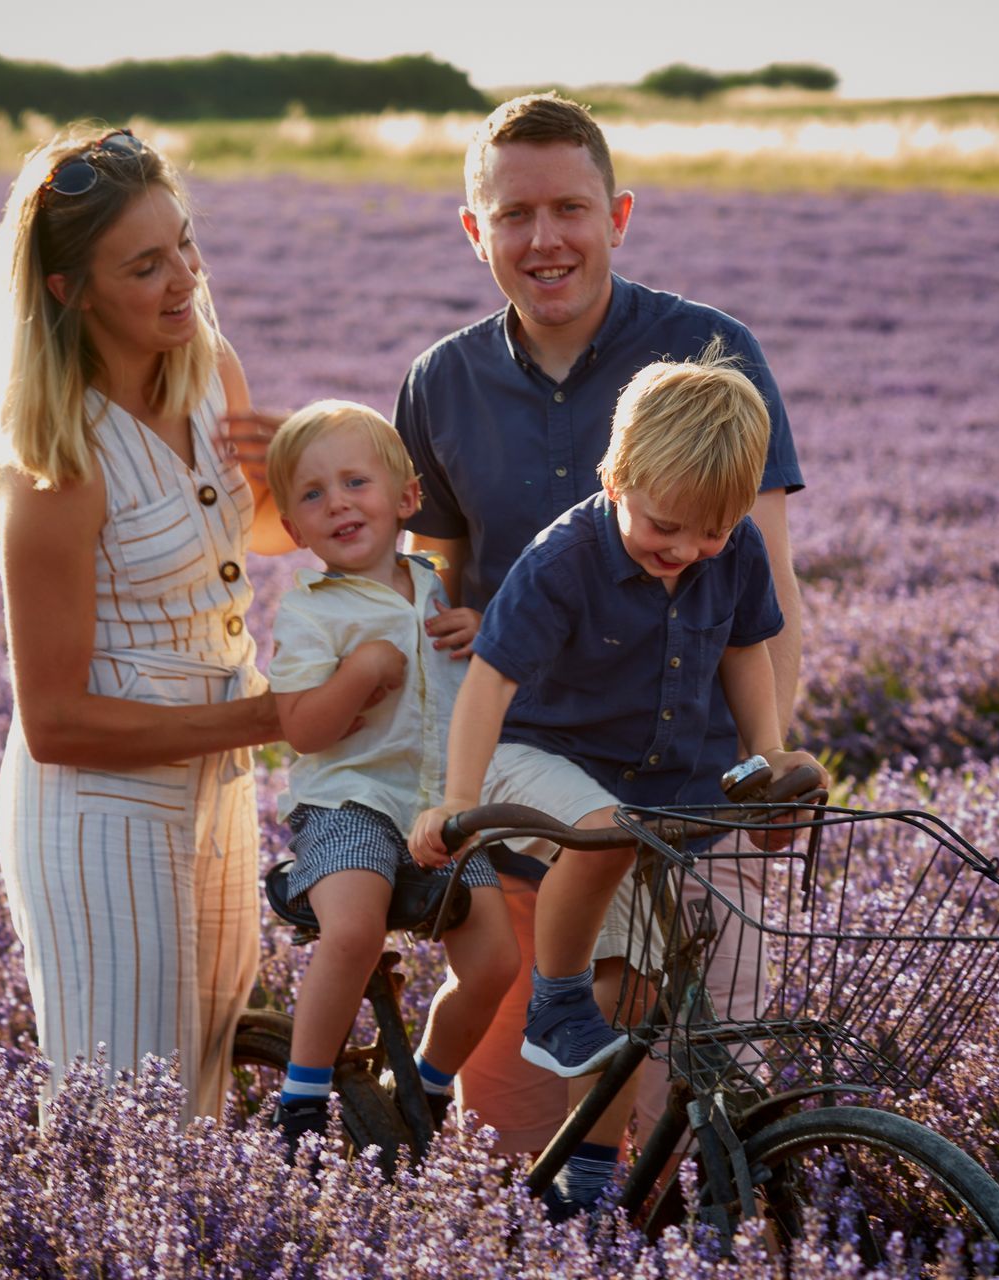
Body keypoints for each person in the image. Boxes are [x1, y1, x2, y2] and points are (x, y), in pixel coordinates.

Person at [392, 93, 806, 1160]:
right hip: (543, 811)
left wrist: (765, 776)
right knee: (536, 1130)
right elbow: (443, 594)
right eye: (515, 213)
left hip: (704, 793)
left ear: (617, 213)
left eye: (570, 207)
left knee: (715, 1109)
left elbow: (760, 596)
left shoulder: (713, 357)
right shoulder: (441, 382)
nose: (546, 239)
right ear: (474, 229)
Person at [410, 345, 830, 1214]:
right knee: (601, 836)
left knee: (632, 990)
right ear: (615, 476)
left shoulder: (734, 547)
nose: (687, 550)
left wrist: (766, 757)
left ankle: (587, 1182)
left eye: (709, 532)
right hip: (527, 758)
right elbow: (489, 681)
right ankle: (554, 999)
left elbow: (745, 650)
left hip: (650, 793)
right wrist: (459, 799)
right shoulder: (563, 557)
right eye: (664, 527)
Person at [0, 125, 294, 1125]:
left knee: (198, 1088)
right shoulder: (52, 461)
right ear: (69, 290)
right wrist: (276, 717)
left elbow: (256, 529)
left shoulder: (208, 369)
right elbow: (58, 719)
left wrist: (300, 470)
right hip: (100, 808)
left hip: (218, 788)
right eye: (144, 265)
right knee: (128, 1121)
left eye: (185, 246)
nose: (182, 279)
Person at [260, 400, 519, 1152]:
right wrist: (360, 671)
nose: (337, 503)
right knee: (353, 930)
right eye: (312, 495)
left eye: (355, 482)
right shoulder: (312, 612)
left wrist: (483, 630)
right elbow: (301, 728)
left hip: (438, 807)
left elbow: (476, 676)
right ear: (292, 529)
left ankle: (429, 1083)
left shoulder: (435, 584)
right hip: (350, 803)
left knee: (498, 959)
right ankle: (302, 1095)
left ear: (407, 498)